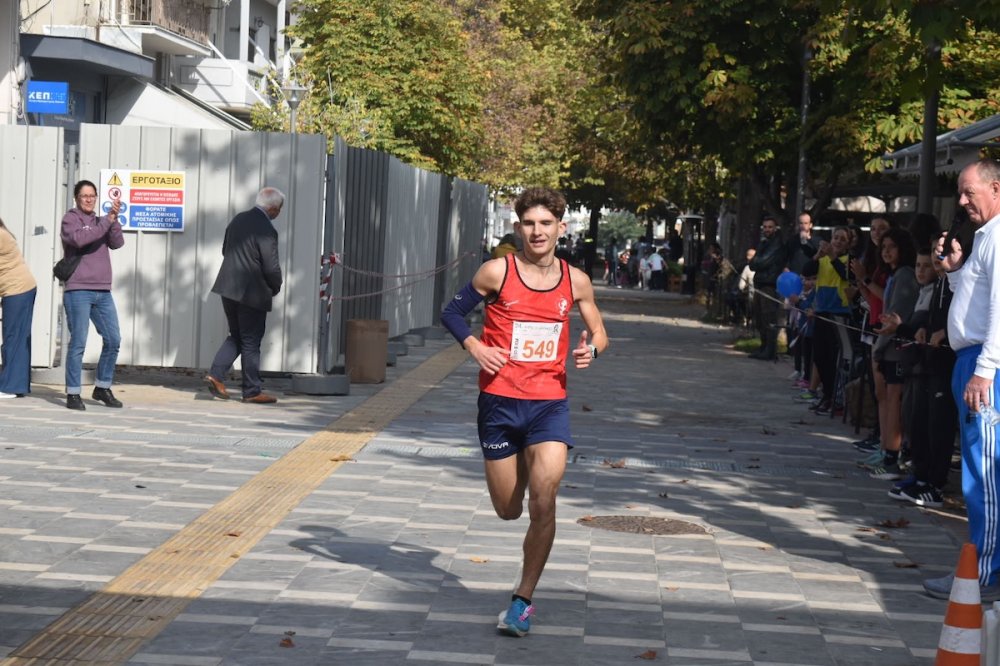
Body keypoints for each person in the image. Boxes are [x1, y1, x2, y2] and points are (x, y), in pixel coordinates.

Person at [439, 187, 608, 637]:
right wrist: (475, 347)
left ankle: (522, 600)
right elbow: (452, 313)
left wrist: (591, 347)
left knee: (544, 501)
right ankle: (507, 477)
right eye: (529, 224)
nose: (537, 231)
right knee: (508, 509)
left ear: (560, 228)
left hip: (549, 404)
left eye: (546, 224)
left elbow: (599, 331)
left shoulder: (576, 281)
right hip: (498, 403)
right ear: (518, 228)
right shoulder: (497, 271)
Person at [925, 159, 1000, 602]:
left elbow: (998, 314)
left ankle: (985, 575)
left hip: (983, 365)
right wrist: (954, 269)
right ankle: (981, 569)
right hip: (971, 360)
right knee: (978, 467)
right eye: (960, 191)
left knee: (983, 473)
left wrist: (985, 370)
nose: (962, 200)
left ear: (996, 187)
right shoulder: (984, 239)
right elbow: (974, 303)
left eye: (970, 191)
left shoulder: (998, 239)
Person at [204, 187, 285, 404]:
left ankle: (216, 375)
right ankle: (252, 391)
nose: (279, 213)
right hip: (252, 292)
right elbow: (271, 266)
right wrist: (276, 286)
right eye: (280, 209)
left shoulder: (238, 220)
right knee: (251, 341)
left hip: (227, 288)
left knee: (237, 335)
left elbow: (225, 250)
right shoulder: (266, 229)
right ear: (274, 208)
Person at [60, 179, 124, 411]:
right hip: (78, 290)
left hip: (103, 291)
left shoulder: (101, 221)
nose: (89, 199)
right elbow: (80, 239)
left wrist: (113, 220)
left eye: (92, 195)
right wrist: (106, 222)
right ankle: (73, 393)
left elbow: (117, 243)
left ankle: (102, 387)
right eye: (85, 195)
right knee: (78, 343)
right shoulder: (70, 219)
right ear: (77, 198)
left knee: (114, 340)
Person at [861, 227, 919, 481]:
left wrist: (880, 346)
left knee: (893, 399)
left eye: (891, 247)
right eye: (883, 248)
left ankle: (892, 456)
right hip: (886, 346)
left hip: (895, 347)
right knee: (883, 396)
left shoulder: (906, 275)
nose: (886, 252)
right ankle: (885, 447)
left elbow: (895, 316)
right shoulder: (895, 274)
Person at [0, 218, 37, 398]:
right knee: (19, 338)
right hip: (21, 288)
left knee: (13, 337)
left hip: (17, 289)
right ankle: (17, 385)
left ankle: (10, 387)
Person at [748, 216, 787, 360]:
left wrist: (756, 261)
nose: (767, 230)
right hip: (760, 283)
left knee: (768, 317)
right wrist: (756, 261)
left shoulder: (776, 244)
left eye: (770, 227)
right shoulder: (763, 244)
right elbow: (752, 265)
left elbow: (761, 262)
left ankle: (770, 350)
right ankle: (763, 346)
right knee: (759, 318)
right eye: (765, 227)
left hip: (769, 285)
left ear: (775, 228)